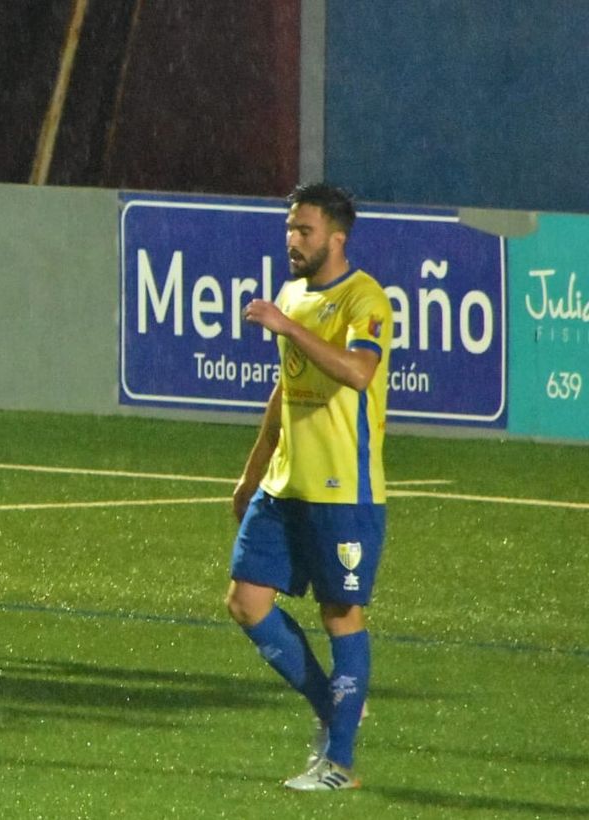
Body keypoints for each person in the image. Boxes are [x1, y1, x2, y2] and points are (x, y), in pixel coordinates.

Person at [227, 183, 390, 791]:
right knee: (246, 602)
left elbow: (357, 371)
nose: (292, 241)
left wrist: (288, 329)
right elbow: (284, 389)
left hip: (343, 489)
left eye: (305, 231)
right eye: (290, 229)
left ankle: (340, 765)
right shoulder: (293, 293)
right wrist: (251, 471)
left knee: (341, 614)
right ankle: (335, 710)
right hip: (284, 485)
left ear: (336, 238)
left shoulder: (364, 297)